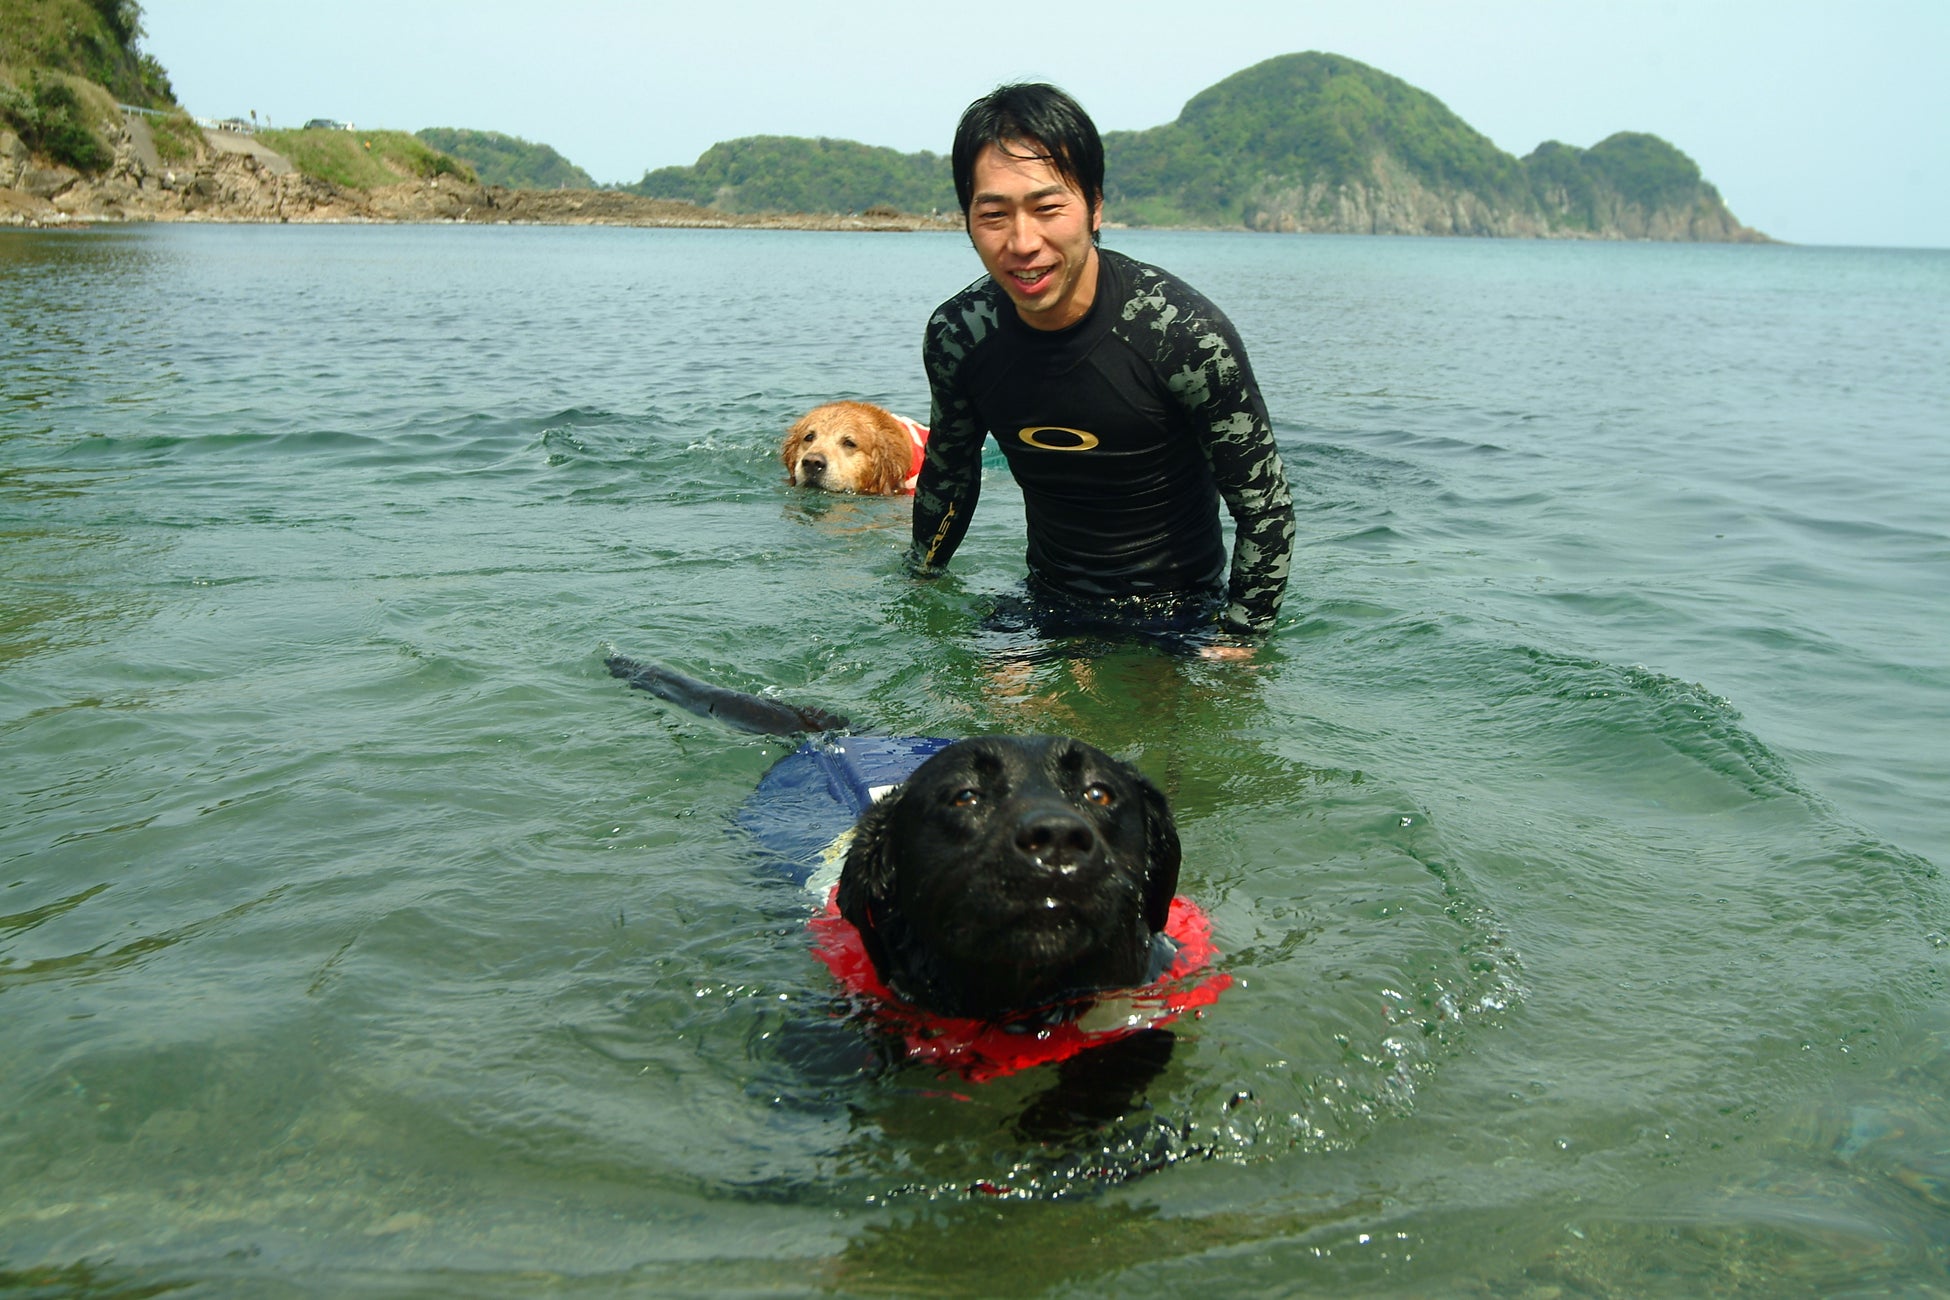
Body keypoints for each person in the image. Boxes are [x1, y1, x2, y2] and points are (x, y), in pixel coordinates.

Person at [907, 82, 1296, 657]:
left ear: (1094, 205)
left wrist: (1240, 642)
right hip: (1043, 602)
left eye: (1047, 208)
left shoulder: (1181, 335)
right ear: (967, 219)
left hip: (1177, 613)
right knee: (972, 717)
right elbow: (950, 476)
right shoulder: (961, 335)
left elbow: (1264, 505)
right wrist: (920, 583)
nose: (1022, 242)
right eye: (993, 214)